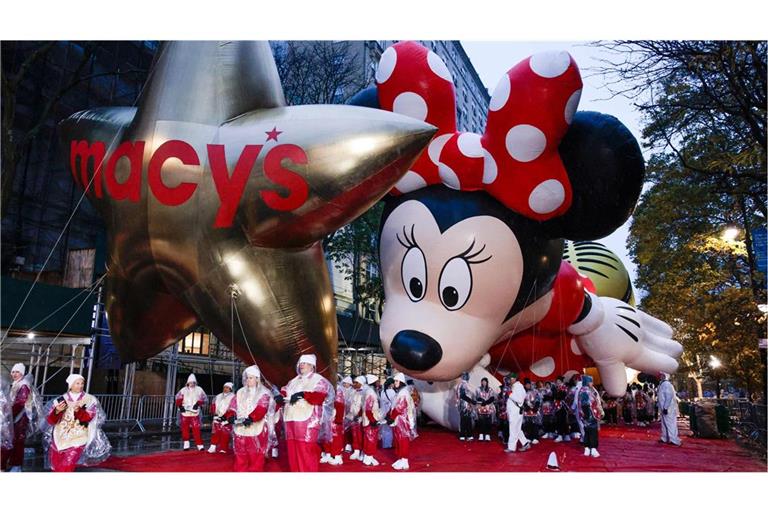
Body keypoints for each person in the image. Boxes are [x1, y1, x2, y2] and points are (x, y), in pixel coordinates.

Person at [42, 374, 110, 472]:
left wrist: (79, 411)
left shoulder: (89, 399)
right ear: (70, 385)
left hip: (78, 437)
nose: (80, 386)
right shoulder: (61, 400)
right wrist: (57, 411)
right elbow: (51, 421)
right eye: (77, 383)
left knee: (67, 466)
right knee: (56, 466)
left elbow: (89, 418)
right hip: (59, 438)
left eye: (82, 383)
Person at [279, 354, 333, 472]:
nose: (301, 365)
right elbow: (285, 390)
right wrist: (280, 396)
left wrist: (303, 394)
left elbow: (319, 397)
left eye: (305, 363)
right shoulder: (294, 380)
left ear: (312, 366)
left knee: (306, 449)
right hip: (290, 418)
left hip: (307, 420)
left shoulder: (318, 380)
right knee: (292, 449)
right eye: (301, 363)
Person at [229, 365, 273, 471]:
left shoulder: (264, 392)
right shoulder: (240, 392)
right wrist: (231, 415)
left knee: (256, 454)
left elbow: (262, 407)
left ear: (257, 379)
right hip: (240, 427)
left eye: (251, 378)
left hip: (257, 427)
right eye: (247, 378)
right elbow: (233, 405)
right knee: (240, 453)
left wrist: (252, 418)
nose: (248, 380)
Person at [1, 363, 41, 472]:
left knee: (16, 442)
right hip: (15, 418)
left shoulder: (23, 385)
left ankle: (16, 465)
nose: (14, 374)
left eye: (17, 372)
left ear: (22, 373)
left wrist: (8, 415)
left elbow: (19, 403)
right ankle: (13, 464)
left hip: (19, 419)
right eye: (13, 371)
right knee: (13, 442)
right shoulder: (17, 384)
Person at [387, 372, 417, 470]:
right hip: (399, 420)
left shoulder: (403, 393)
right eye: (395, 381)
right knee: (399, 440)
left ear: (401, 382)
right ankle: (401, 458)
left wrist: (391, 417)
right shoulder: (400, 392)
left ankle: (404, 460)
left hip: (403, 421)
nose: (395, 383)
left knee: (403, 440)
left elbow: (400, 407)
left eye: (397, 381)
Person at [175, 373, 207, 451]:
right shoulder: (183, 390)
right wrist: (180, 406)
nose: (192, 384)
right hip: (185, 413)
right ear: (188, 382)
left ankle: (199, 445)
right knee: (185, 429)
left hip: (194, 413)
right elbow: (178, 398)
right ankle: (186, 444)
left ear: (195, 382)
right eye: (190, 382)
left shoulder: (199, 389)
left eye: (193, 382)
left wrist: (198, 404)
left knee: (196, 429)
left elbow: (204, 398)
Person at [321, 376, 346, 466]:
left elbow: (340, 405)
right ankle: (328, 454)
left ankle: (337, 456)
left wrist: (338, 419)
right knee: (326, 436)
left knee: (336, 437)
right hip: (327, 416)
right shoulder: (327, 388)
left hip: (335, 417)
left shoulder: (338, 390)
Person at [505, 373, 531, 453]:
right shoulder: (516, 386)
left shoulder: (518, 387)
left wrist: (510, 394)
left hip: (515, 412)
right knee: (517, 429)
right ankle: (526, 443)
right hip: (514, 411)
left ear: (514, 379)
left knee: (513, 429)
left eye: (510, 378)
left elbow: (520, 399)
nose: (508, 380)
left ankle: (511, 447)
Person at [361, 374, 382, 466]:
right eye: (377, 381)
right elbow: (368, 409)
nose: (379, 383)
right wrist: (372, 420)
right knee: (371, 440)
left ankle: (367, 457)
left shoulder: (370, 391)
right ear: (374, 382)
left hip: (368, 419)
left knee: (368, 439)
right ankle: (369, 458)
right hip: (370, 421)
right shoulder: (371, 393)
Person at [578, 375, 602, 457]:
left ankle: (587, 448)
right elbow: (584, 403)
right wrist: (587, 414)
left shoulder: (588, 390)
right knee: (592, 431)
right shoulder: (585, 391)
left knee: (587, 431)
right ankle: (592, 448)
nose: (592, 383)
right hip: (589, 415)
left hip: (588, 414)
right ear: (587, 382)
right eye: (591, 381)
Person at [208, 382, 235, 453]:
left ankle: (223, 448)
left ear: (230, 389)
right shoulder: (218, 396)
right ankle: (213, 446)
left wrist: (226, 416)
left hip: (226, 418)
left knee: (225, 433)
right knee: (215, 432)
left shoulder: (233, 397)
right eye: (224, 387)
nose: (225, 389)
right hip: (217, 417)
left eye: (227, 387)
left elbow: (233, 408)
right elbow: (213, 405)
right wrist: (212, 413)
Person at [657, 373, 682, 446]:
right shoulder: (663, 384)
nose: (660, 376)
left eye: (661, 375)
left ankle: (674, 440)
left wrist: (665, 407)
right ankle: (665, 437)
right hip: (664, 408)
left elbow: (669, 396)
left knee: (670, 423)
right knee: (664, 424)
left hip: (668, 408)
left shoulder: (666, 384)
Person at [347, 376, 365, 460]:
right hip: (353, 416)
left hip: (360, 418)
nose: (354, 384)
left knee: (361, 434)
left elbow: (365, 406)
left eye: (356, 383)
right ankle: (356, 450)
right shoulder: (353, 392)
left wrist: (359, 415)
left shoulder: (364, 392)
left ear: (361, 383)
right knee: (354, 434)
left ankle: (362, 451)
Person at [455, 372, 475, 441]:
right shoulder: (463, 385)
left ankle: (464, 435)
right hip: (464, 404)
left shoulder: (461, 385)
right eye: (466, 376)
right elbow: (463, 395)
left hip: (464, 404)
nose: (467, 377)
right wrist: (472, 401)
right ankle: (466, 435)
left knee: (465, 420)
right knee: (466, 420)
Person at [378, 376, 397, 449]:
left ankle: (384, 444)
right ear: (391, 384)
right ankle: (388, 445)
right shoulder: (392, 391)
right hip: (389, 412)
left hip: (383, 412)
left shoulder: (382, 391)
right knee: (389, 429)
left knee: (384, 429)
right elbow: (394, 403)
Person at [522, 378, 541, 444]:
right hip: (526, 410)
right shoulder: (523, 392)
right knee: (527, 423)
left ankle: (535, 437)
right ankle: (529, 437)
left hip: (534, 409)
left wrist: (536, 406)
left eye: (529, 384)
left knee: (535, 423)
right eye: (526, 384)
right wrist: (525, 406)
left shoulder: (535, 391)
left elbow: (538, 399)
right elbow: (521, 400)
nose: (528, 385)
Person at [553, 376, 571, 442]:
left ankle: (567, 434)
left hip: (563, 406)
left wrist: (558, 395)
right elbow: (555, 396)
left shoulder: (564, 387)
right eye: (557, 382)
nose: (558, 383)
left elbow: (563, 396)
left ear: (562, 382)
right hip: (557, 406)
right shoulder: (556, 388)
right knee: (559, 420)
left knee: (564, 420)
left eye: (559, 381)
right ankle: (560, 435)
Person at [497, 376, 510, 444]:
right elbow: (499, 402)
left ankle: (507, 438)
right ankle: (505, 438)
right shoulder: (500, 395)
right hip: (503, 412)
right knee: (504, 424)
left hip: (509, 411)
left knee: (508, 425)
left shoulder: (510, 390)